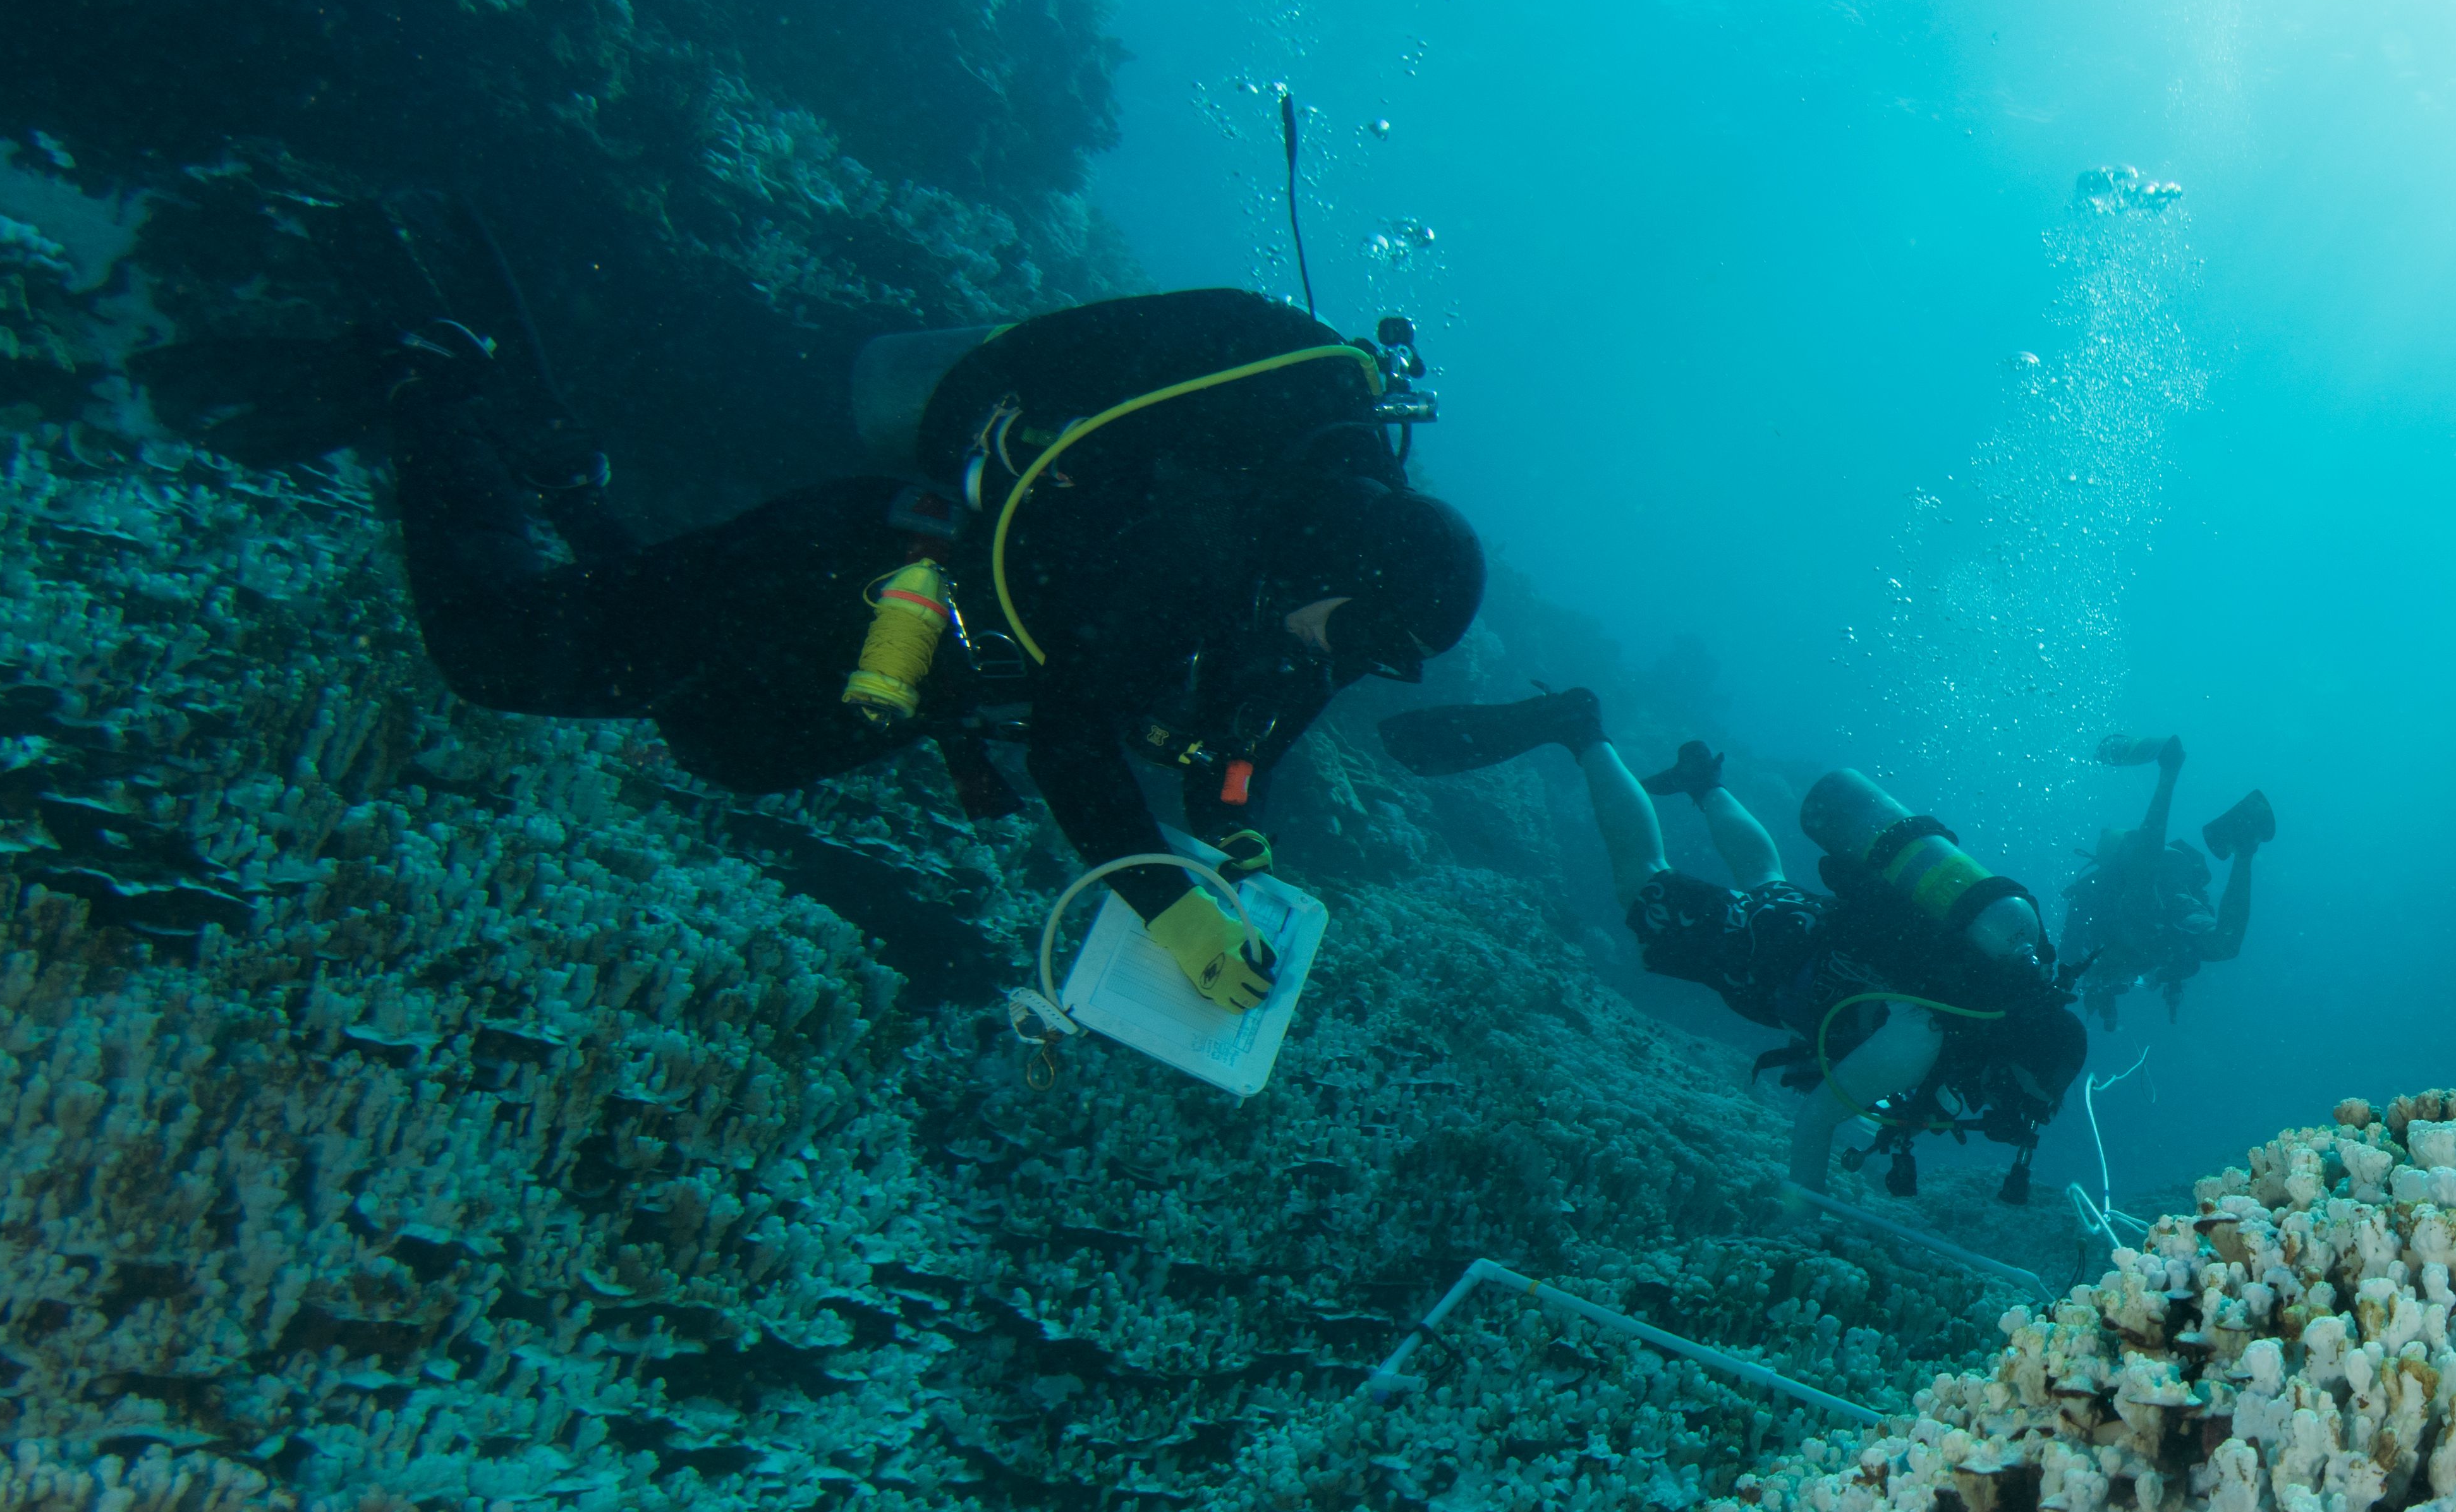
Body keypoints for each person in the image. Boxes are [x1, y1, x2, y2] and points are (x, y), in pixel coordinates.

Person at [145, 198, 1482, 1012]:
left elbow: (1246, 746)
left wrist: (1234, 850)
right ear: (1346, 565)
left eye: (1388, 662)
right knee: (507, 654)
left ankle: (563, 474)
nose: (1352, 668)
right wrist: (1162, 904)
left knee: (720, 742)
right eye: (1366, 637)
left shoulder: (1309, 592)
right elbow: (1078, 733)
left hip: (949, 663)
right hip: (865, 566)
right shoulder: (1204, 534)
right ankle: (426, 387)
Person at [1380, 695, 2086, 1199]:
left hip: (1802, 932)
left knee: (1765, 877)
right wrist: (1805, 1210)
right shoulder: (1928, 1031)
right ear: (2018, 1052)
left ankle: (1703, 782)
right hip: (1770, 954)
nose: (2006, 1110)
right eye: (2022, 1095)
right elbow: (1817, 1119)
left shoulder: (1975, 987)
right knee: (1644, 890)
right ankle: (1582, 731)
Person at [2060, 732, 2271, 1029]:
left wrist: (2091, 974)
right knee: (2225, 945)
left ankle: (2169, 772)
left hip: (2151, 878)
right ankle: (2244, 847)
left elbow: (2068, 959)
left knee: (2140, 898)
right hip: (2172, 881)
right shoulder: (2159, 957)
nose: (2124, 978)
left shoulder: (2097, 919)